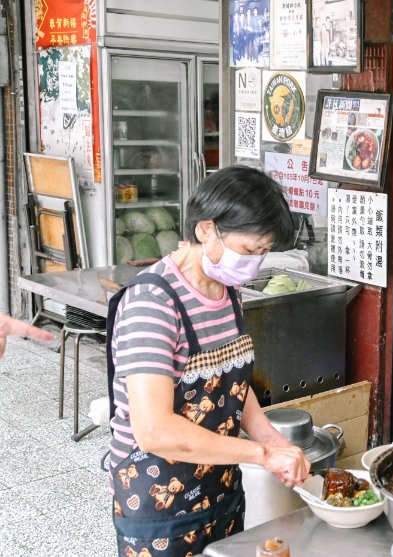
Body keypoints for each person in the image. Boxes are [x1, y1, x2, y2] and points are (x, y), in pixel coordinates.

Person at [107, 166, 310, 556]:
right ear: (205, 229)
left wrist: (269, 438)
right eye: (250, 250)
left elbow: (230, 381)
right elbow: (155, 431)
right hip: (159, 500)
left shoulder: (227, 290)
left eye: (264, 252)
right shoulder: (154, 303)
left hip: (220, 487)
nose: (254, 263)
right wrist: (261, 454)